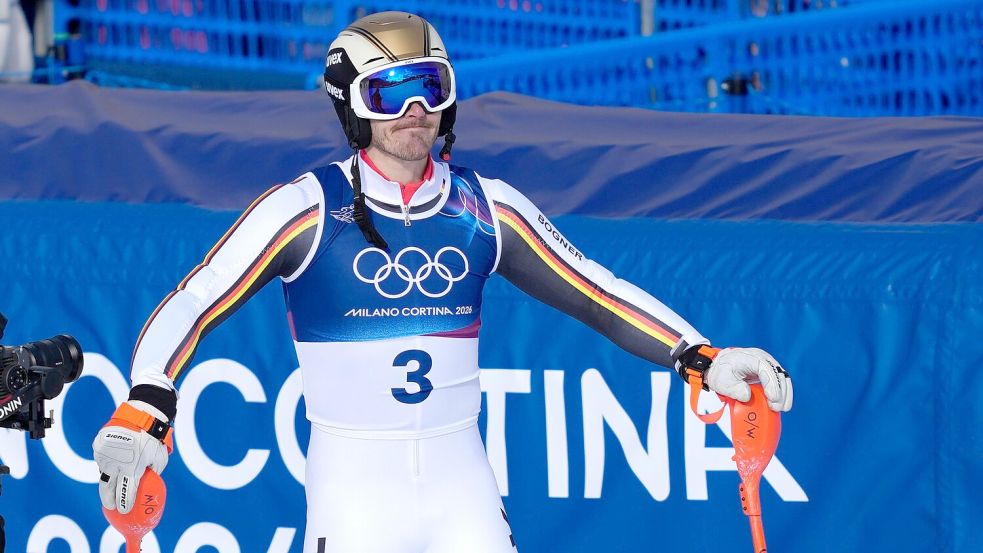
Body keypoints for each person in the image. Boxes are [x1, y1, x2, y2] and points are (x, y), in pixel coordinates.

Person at [92, 11, 793, 553]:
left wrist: (700, 356)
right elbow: (196, 298)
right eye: (389, 91)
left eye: (428, 87)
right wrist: (146, 399)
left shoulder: (485, 206)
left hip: (462, 486)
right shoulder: (305, 206)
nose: (413, 108)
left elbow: (596, 291)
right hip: (354, 490)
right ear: (353, 106)